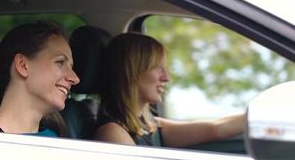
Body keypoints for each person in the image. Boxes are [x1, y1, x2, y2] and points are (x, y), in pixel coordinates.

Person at [95, 33, 244, 147]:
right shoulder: (113, 133)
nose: (166, 78)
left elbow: (217, 128)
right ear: (131, 71)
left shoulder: (149, 125)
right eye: (156, 68)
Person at [0, 22, 80, 137]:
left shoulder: (58, 142)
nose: (75, 79)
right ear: (23, 65)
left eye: (71, 67)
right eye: (60, 62)